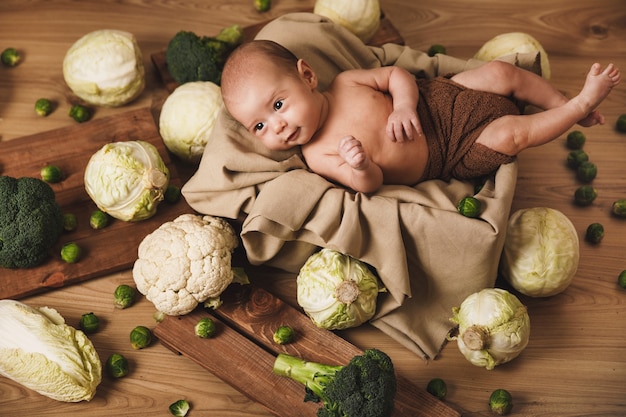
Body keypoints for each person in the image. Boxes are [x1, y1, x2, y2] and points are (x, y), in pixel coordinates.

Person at [220, 40, 620, 193]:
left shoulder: (345, 83)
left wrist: (405, 105)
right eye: (260, 127)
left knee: (500, 72)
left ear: (307, 76)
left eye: (277, 106)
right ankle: (578, 107)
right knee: (510, 135)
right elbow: (369, 186)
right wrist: (360, 166)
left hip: (437, 100)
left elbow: (397, 76)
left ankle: (557, 101)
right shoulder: (318, 155)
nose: (278, 127)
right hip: (448, 153)